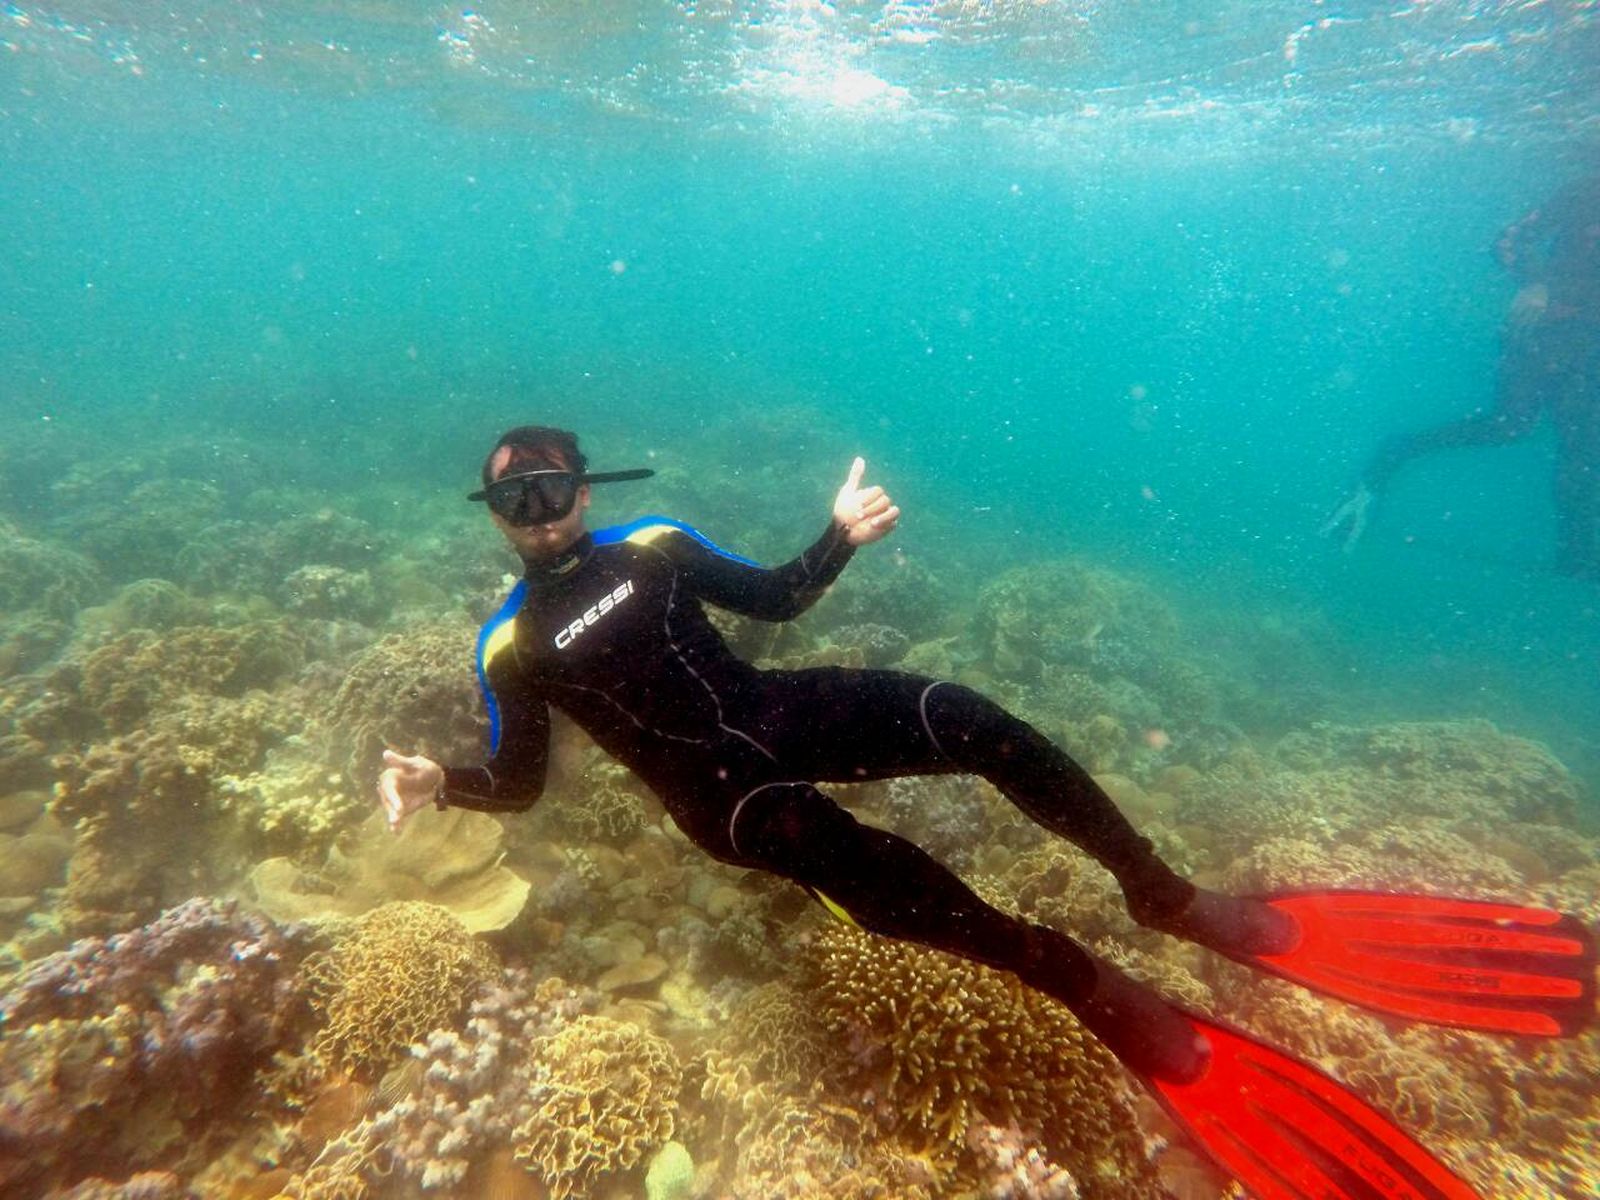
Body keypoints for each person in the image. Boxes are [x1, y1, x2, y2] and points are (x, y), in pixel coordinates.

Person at [381, 425, 1594, 1199]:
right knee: (911, 889)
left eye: (554, 485)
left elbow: (780, 601)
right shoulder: (506, 647)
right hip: (730, 803)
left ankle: (1165, 898)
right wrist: (446, 781)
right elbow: (526, 783)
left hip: (781, 710)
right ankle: (1093, 991)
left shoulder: (654, 542)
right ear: (492, 516)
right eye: (516, 499)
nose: (541, 510)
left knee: (984, 724)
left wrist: (838, 537)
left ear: (588, 484)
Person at [1324, 174, 1600, 577]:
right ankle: (1395, 453)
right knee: (1512, 426)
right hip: (1542, 336)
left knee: (1581, 446)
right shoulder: (1586, 192)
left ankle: (1573, 564)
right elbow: (1510, 240)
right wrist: (1538, 284)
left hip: (1586, 341)